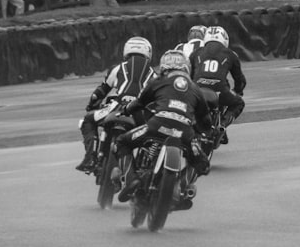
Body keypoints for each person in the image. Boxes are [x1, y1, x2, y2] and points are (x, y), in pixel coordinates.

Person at [110, 50, 213, 206]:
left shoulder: (158, 81)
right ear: (187, 68)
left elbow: (138, 103)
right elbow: (206, 121)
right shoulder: (196, 88)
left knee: (121, 142)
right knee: (203, 164)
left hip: (156, 125)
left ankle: (131, 180)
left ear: (164, 66)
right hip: (184, 132)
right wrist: (203, 131)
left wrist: (125, 110)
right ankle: (181, 186)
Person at [75, 36, 156, 173]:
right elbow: (155, 100)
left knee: (88, 120)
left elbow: (99, 93)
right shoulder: (154, 75)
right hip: (139, 113)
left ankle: (91, 157)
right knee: (152, 134)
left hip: (116, 107)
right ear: (148, 52)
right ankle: (144, 165)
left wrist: (91, 106)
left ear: (126, 50)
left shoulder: (118, 68)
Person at [192, 26, 246, 145]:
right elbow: (240, 80)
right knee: (239, 103)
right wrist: (238, 92)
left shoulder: (196, 52)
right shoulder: (231, 54)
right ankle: (222, 125)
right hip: (220, 91)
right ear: (224, 39)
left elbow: (189, 75)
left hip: (197, 90)